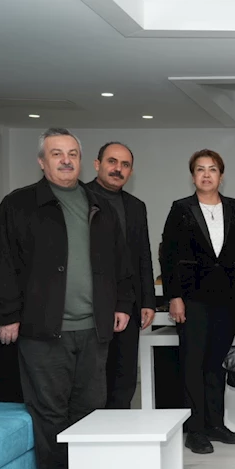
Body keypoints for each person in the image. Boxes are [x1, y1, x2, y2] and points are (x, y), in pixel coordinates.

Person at [0, 127, 133, 469]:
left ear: (82, 161)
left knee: (90, 409)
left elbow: (120, 262)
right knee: (50, 411)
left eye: (72, 153)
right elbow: (2, 263)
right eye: (57, 153)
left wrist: (122, 303)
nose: (66, 160)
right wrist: (7, 314)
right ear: (42, 161)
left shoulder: (99, 205)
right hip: (42, 330)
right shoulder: (19, 205)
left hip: (94, 329)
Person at [160, 149, 235, 455]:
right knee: (193, 364)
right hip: (192, 298)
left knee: (216, 364)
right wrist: (174, 296)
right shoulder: (181, 208)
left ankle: (215, 424)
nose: (206, 174)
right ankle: (195, 430)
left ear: (221, 176)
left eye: (212, 169)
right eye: (200, 169)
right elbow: (168, 255)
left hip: (226, 299)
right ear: (193, 176)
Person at [87, 142, 157, 409]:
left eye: (125, 165)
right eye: (112, 162)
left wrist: (148, 300)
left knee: (124, 376)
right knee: (94, 376)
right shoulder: (80, 199)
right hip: (91, 304)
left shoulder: (136, 206)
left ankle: (121, 425)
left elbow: (143, 255)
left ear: (131, 171)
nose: (118, 169)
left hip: (129, 304)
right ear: (97, 164)